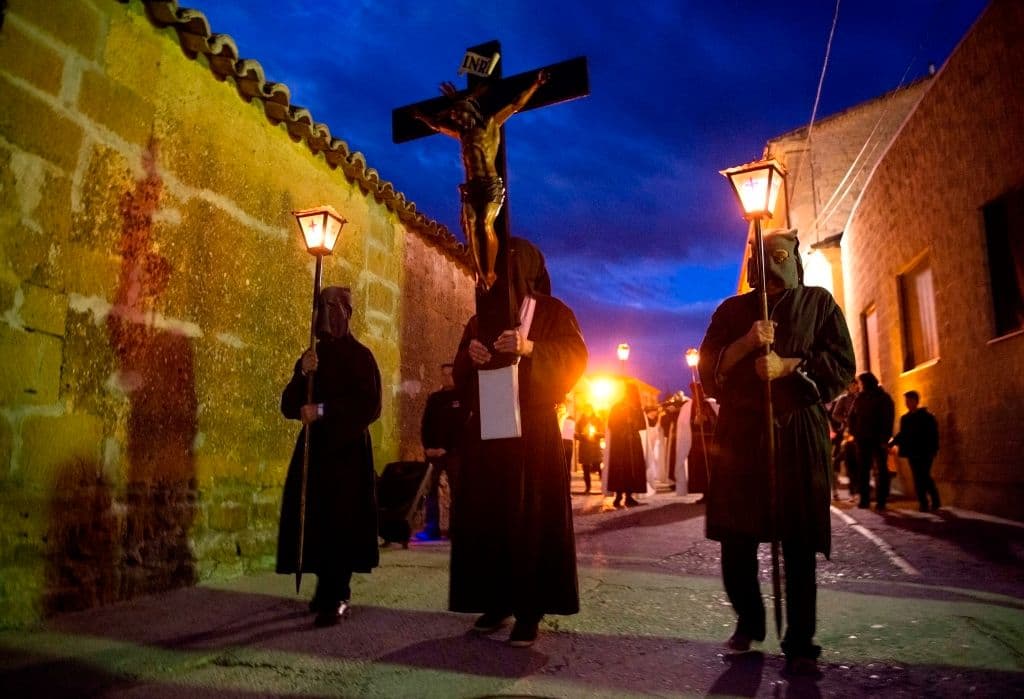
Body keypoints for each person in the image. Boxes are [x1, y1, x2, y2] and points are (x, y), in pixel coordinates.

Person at [698, 228, 855, 675]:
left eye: (780, 270)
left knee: (799, 540)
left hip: (796, 434)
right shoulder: (732, 310)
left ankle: (800, 636)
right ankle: (749, 619)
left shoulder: (820, 304)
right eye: (763, 272)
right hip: (742, 437)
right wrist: (746, 345)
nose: (772, 282)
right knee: (736, 535)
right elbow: (710, 366)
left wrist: (790, 366)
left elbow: (843, 364)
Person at [449, 237, 588, 648]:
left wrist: (529, 348)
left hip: (534, 430)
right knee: (492, 515)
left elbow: (575, 358)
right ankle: (497, 600)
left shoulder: (553, 313)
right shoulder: (481, 318)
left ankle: (530, 609)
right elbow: (460, 369)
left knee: (532, 517)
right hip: (490, 430)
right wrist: (468, 356)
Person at [276, 287, 382, 627]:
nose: (328, 313)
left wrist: (322, 410)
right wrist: (302, 373)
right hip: (315, 451)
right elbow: (290, 405)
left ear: (348, 312)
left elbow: (369, 405)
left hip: (347, 453)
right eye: (322, 306)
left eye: (335, 306)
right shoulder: (311, 357)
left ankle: (338, 592)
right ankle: (323, 587)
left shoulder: (362, 357)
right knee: (316, 521)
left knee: (341, 521)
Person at [413, 71, 548, 289]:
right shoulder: (462, 135)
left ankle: (490, 272)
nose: (458, 119)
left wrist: (536, 84)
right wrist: (421, 116)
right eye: (457, 117)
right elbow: (437, 125)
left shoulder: (491, 125)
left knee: (485, 223)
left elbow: (515, 104)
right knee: (470, 225)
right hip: (471, 187)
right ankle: (479, 272)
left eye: (461, 115)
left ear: (472, 112)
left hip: (489, 185)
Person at [417, 363, 466, 541]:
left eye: (450, 374)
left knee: (457, 491)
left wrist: (447, 448)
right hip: (433, 453)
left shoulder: (463, 398)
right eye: (444, 375)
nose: (447, 378)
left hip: (454, 453)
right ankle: (432, 529)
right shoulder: (434, 399)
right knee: (429, 490)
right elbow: (426, 425)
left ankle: (456, 530)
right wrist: (428, 448)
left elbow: (461, 428)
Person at [847, 372, 895, 511]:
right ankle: (866, 500)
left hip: (877, 439)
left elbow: (888, 419)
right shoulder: (860, 398)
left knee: (880, 470)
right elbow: (851, 417)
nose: (859, 386)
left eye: (861, 383)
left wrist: (885, 438)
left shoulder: (882, 398)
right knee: (864, 470)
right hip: (863, 440)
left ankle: (880, 500)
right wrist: (855, 432)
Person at [891, 390, 941, 512]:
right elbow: (903, 434)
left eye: (909, 400)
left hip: (925, 451)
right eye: (906, 401)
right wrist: (892, 443)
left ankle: (933, 500)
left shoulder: (927, 417)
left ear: (916, 401)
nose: (907, 403)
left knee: (923, 476)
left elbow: (933, 434)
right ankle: (924, 502)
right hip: (912, 452)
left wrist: (933, 449)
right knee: (918, 477)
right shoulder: (905, 418)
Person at [606, 382, 648, 507]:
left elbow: (642, 425)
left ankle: (629, 496)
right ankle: (618, 495)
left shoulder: (636, 407)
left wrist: (633, 422)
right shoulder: (617, 407)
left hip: (633, 442)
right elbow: (611, 424)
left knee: (632, 469)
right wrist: (624, 425)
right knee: (620, 468)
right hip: (620, 443)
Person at [827, 380, 859, 499]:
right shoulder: (844, 399)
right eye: (851, 385)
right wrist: (845, 420)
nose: (854, 387)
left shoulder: (861, 397)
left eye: (855, 385)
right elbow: (835, 415)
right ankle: (836, 490)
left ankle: (857, 490)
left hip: (859, 433)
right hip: (845, 433)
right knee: (839, 460)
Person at [575, 406, 604, 494]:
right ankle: (588, 487)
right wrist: (583, 435)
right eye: (586, 410)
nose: (587, 412)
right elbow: (576, 434)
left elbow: (603, 433)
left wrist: (595, 434)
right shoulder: (580, 421)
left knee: (598, 468)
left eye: (589, 410)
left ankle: (604, 486)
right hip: (585, 449)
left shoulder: (597, 420)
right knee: (586, 469)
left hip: (594, 448)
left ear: (592, 410)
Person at [559, 404, 577, 476]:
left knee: (566, 464)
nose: (560, 409)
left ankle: (566, 481)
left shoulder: (568, 418)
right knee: (565, 465)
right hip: (564, 443)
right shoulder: (560, 417)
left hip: (566, 442)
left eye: (561, 407)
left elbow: (570, 431)